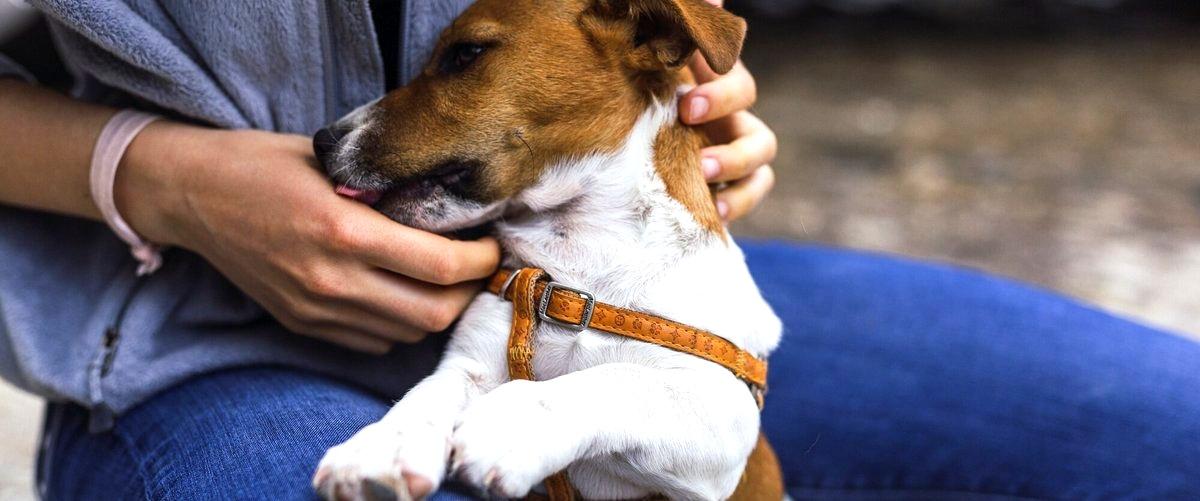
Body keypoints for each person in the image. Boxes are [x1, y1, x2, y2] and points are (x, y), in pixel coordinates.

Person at [0, 1, 1196, 500]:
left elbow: (685, 41)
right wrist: (145, 172)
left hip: (640, 314)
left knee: (1166, 433)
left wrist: (714, 120)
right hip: (199, 344)